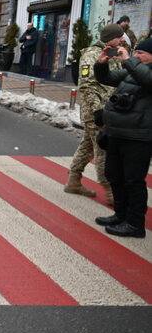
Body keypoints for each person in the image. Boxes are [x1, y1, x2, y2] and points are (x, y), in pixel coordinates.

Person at [93, 37, 152, 239]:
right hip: (118, 133)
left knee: (133, 181)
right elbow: (107, 78)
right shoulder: (133, 70)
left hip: (139, 137)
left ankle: (135, 224)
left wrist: (128, 59)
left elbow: (147, 79)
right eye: (135, 52)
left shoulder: (142, 71)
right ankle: (120, 215)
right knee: (114, 175)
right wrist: (101, 64)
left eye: (140, 53)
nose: (136, 55)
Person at [64, 24, 125, 202]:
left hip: (110, 110)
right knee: (103, 150)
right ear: (110, 37)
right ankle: (111, 192)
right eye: (119, 36)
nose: (122, 39)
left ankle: (73, 180)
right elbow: (87, 85)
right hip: (97, 112)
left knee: (88, 145)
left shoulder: (113, 53)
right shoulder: (92, 54)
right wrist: (98, 110)